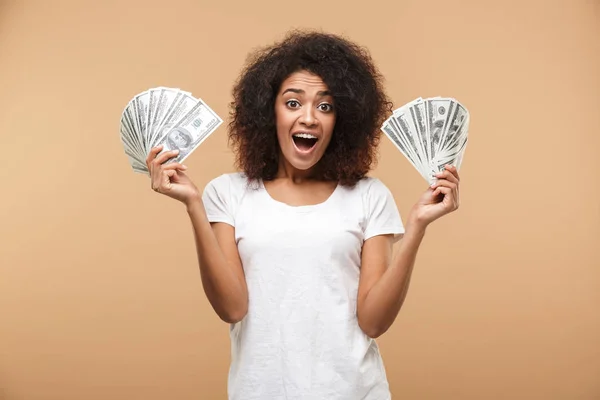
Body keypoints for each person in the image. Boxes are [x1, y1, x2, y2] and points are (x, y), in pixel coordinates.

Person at [145, 30, 460, 400]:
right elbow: (232, 308)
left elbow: (373, 321)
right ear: (268, 111)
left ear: (342, 121)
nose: (309, 118)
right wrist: (193, 206)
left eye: (325, 106)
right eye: (293, 103)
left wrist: (417, 226)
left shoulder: (368, 196)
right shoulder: (227, 193)